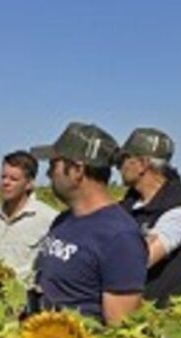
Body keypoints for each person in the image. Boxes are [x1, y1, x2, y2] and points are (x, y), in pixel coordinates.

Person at [29, 122, 147, 325]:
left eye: (53, 165)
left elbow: (120, 329)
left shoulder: (120, 237)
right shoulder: (63, 220)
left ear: (77, 170)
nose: (48, 174)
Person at [117, 128, 181, 305]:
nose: (119, 166)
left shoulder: (179, 210)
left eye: (124, 158)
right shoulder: (130, 203)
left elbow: (138, 261)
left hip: (157, 315)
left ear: (142, 164)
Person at [0, 150, 58, 282]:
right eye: (3, 177)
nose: (6, 183)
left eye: (13, 179)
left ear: (29, 184)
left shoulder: (49, 220)